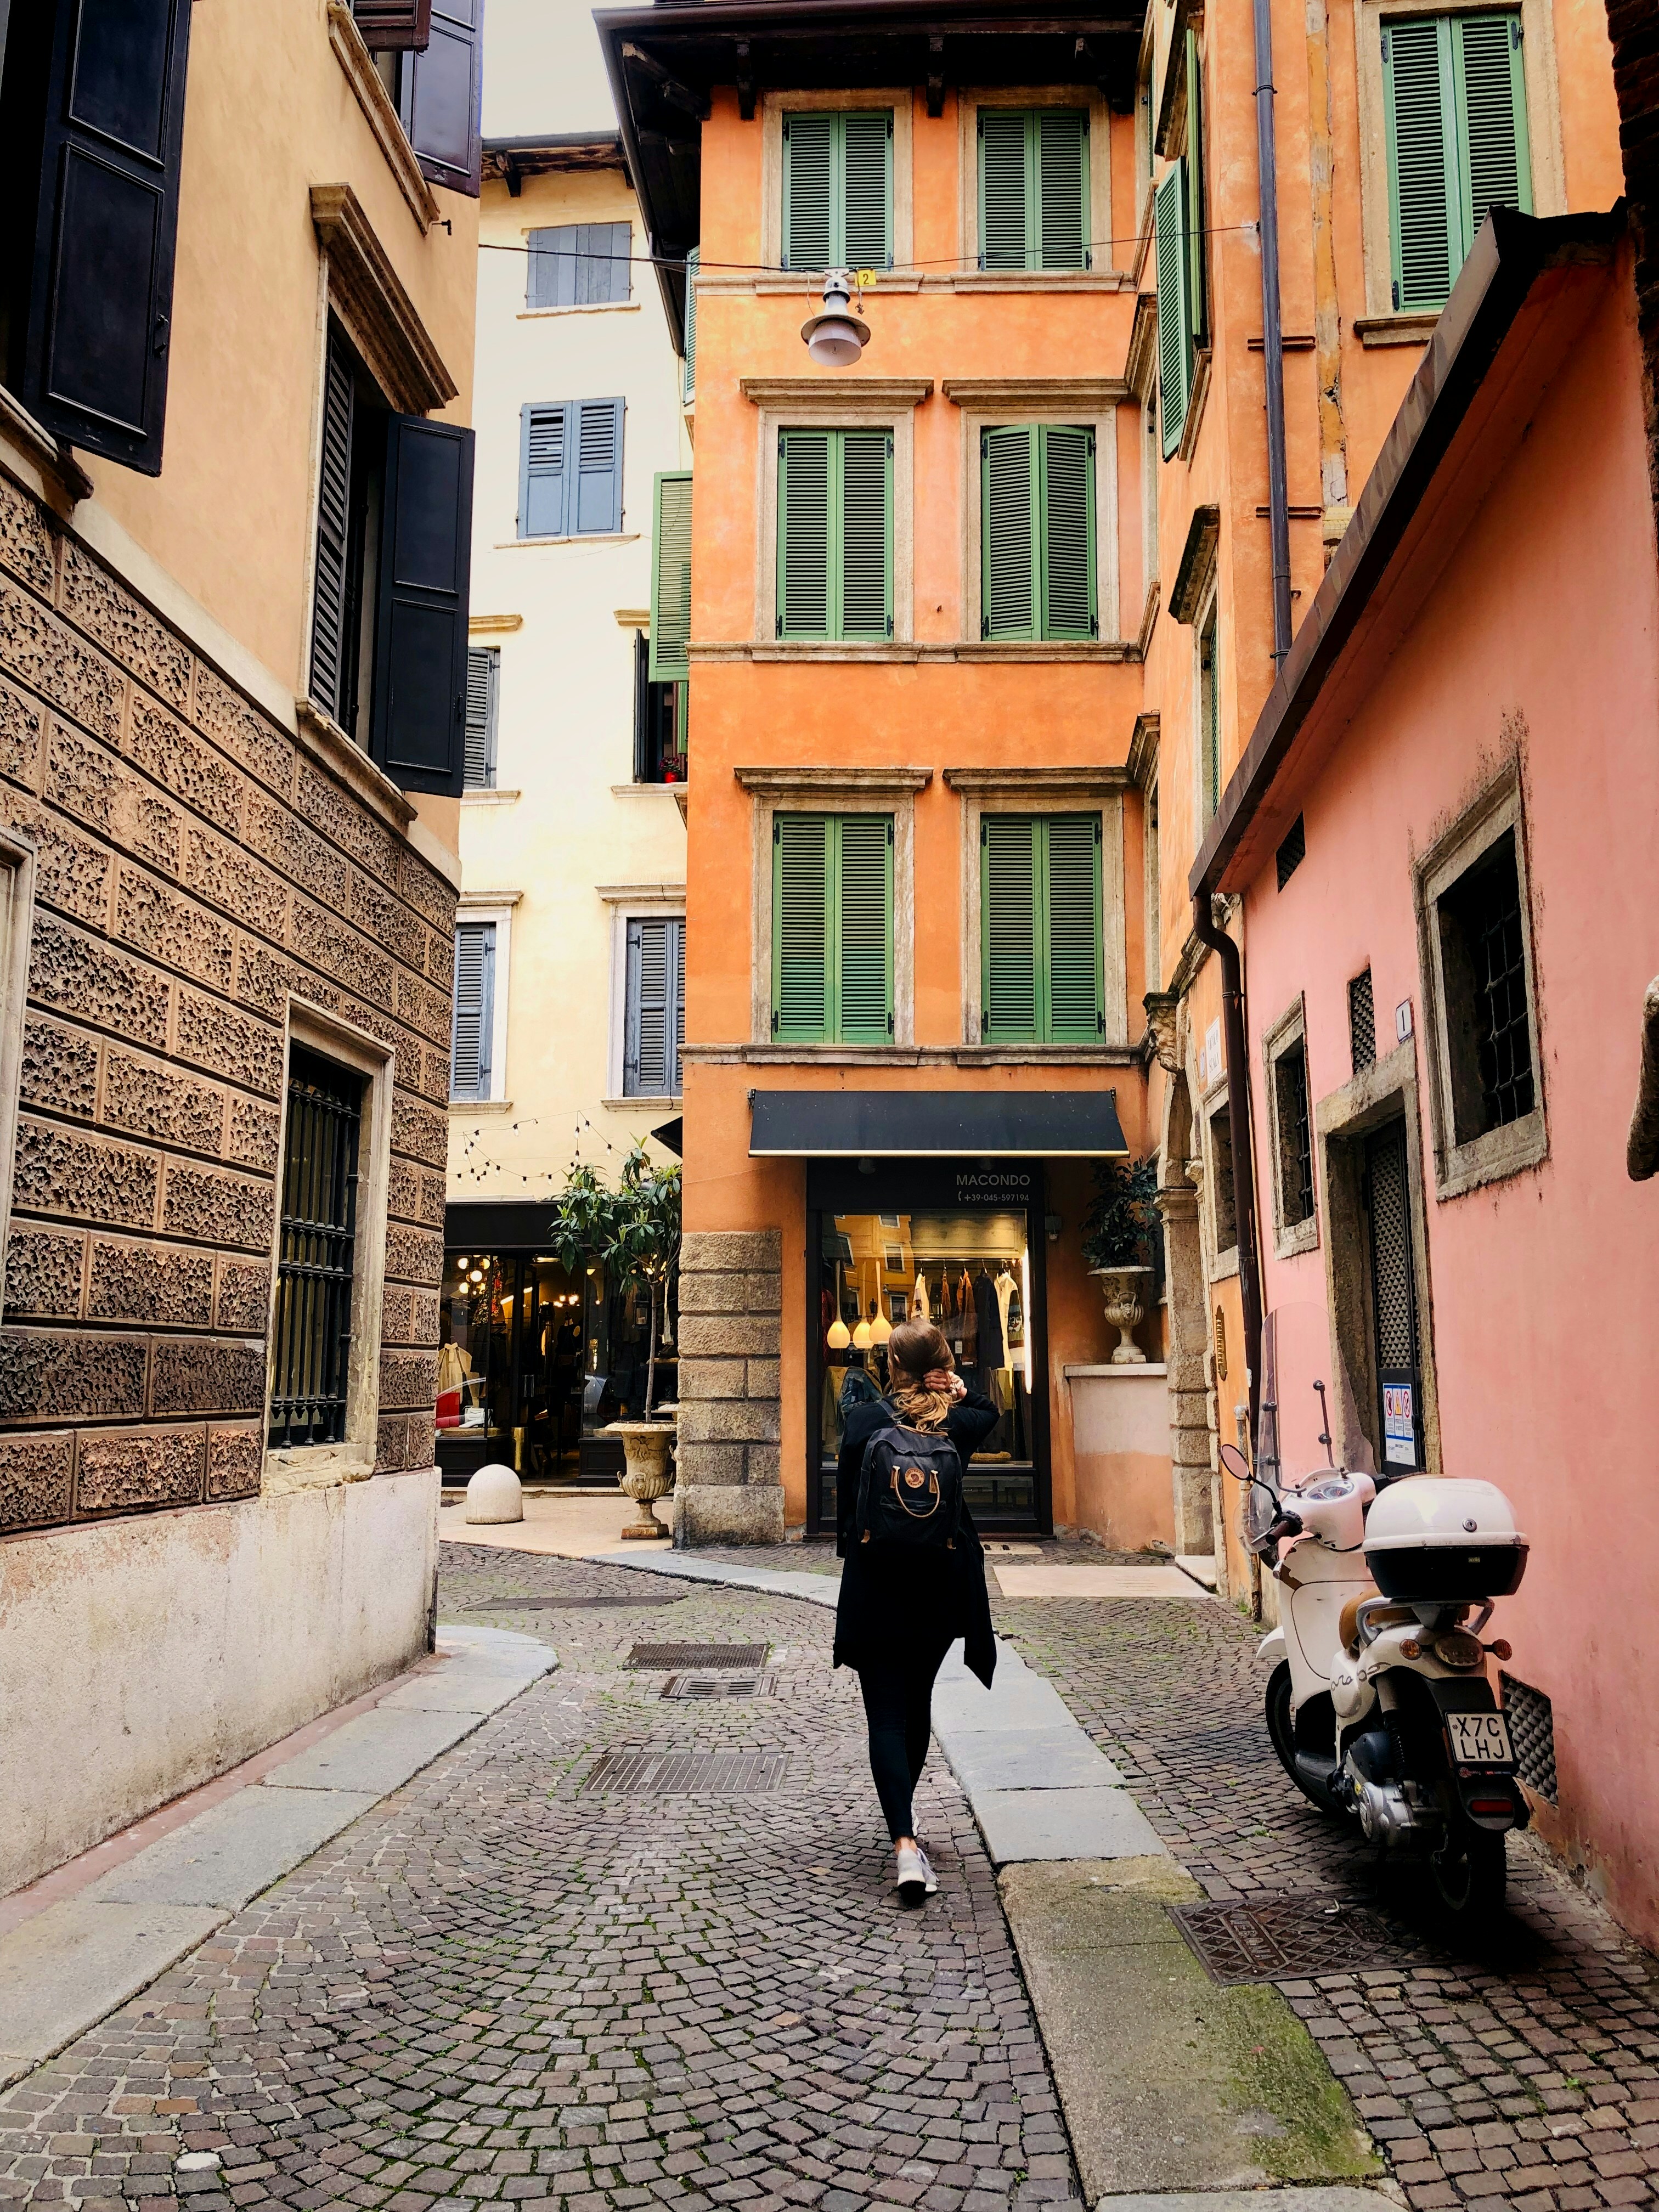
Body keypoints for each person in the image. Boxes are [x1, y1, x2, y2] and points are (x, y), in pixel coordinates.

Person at [833, 1318, 999, 1905]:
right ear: (938, 1363)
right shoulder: (961, 1423)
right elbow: (990, 1410)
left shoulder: (863, 1422)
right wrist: (956, 1386)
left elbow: (846, 1510)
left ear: (891, 1366)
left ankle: (903, 1842)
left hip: (879, 1583)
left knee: (885, 1714)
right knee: (918, 1702)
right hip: (940, 1582)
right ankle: (909, 1831)